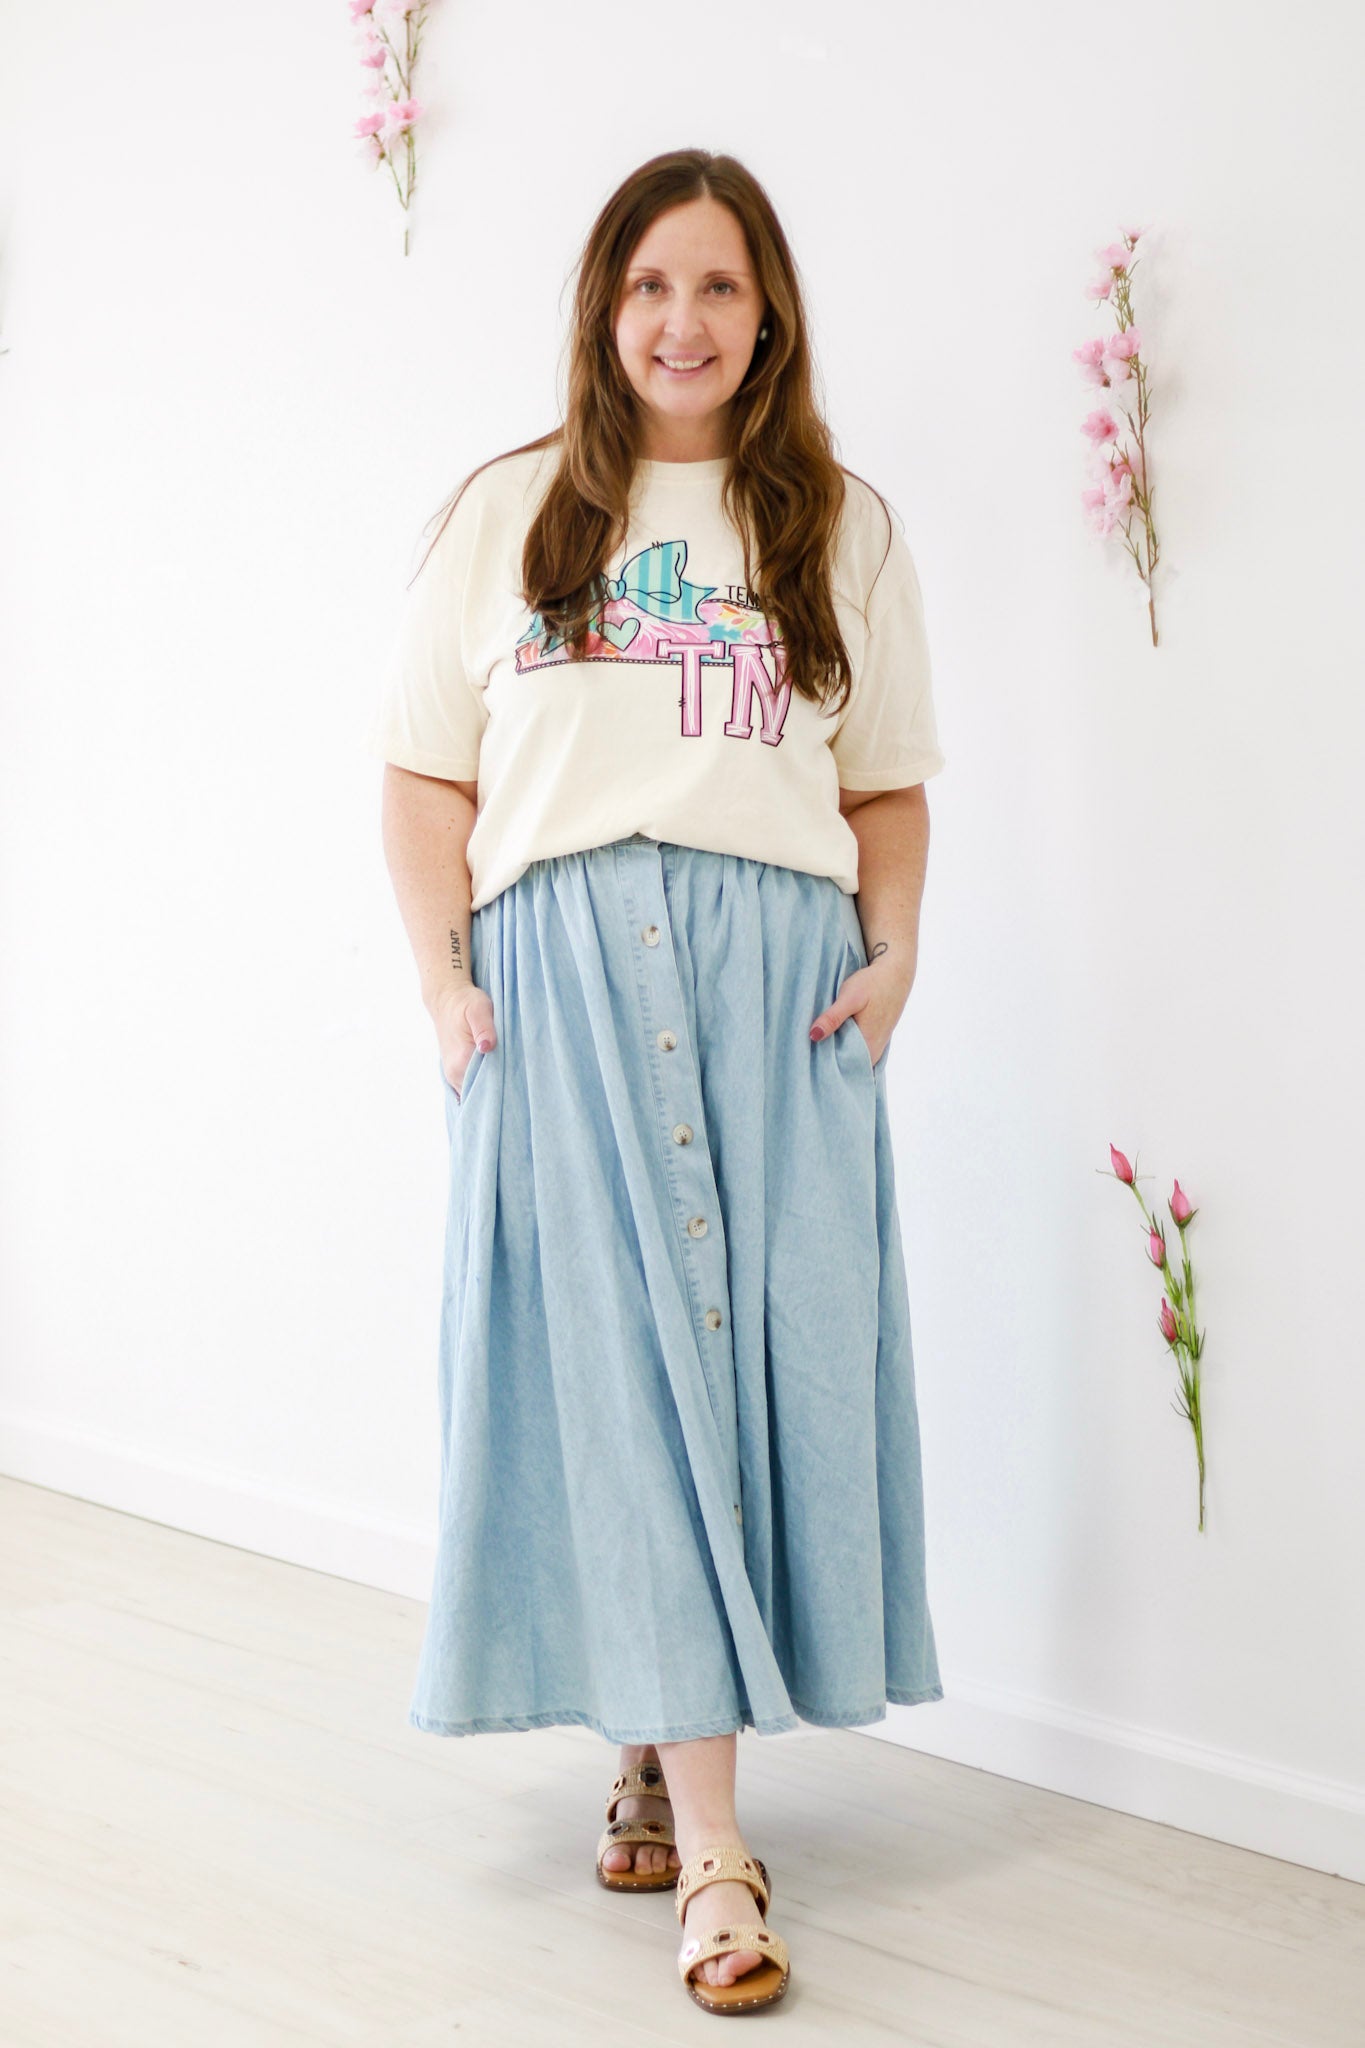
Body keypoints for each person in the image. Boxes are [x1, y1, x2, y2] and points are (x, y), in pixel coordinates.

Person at [368, 147, 946, 2019]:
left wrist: (892, 957)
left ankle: (651, 1749)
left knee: (742, 1376)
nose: (679, 322)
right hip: (557, 993)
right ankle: (715, 1851)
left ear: (766, 315)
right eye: (646, 286)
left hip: (775, 996)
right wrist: (446, 985)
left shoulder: (836, 526)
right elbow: (423, 777)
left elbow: (883, 782)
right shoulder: (510, 511)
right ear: (601, 310)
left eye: (716, 286)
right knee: (614, 1388)